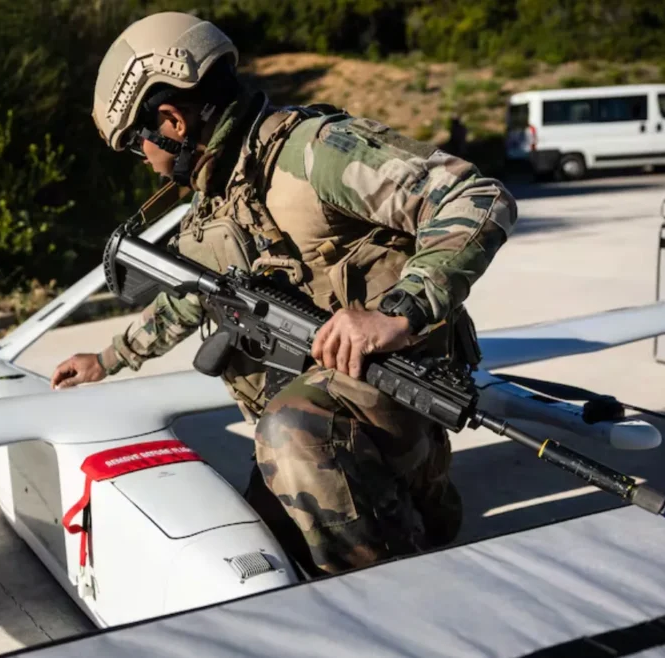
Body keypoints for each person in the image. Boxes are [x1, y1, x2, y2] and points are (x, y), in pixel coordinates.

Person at [50, 12, 518, 577]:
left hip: (389, 402)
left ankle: (397, 588)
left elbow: (477, 196)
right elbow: (190, 297)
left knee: (290, 434)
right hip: (325, 413)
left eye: (137, 145)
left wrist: (400, 311)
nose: (145, 163)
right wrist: (105, 359)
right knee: (257, 548)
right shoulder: (218, 199)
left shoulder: (310, 153)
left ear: (171, 121)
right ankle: (412, 511)